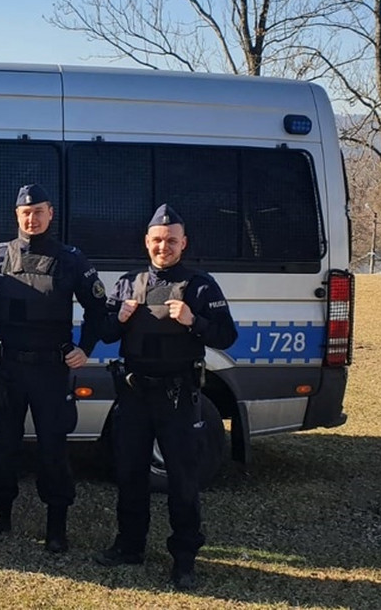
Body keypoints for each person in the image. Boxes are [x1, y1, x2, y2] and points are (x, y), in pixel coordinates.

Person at [93, 204, 238, 592]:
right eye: (157, 240)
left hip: (177, 396)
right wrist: (118, 318)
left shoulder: (202, 286)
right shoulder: (127, 283)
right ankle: (129, 546)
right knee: (129, 475)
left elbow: (227, 336)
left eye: (171, 240)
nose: (164, 247)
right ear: (147, 242)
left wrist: (195, 321)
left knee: (183, 481)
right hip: (134, 394)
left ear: (183, 243)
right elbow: (104, 334)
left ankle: (184, 559)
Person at [0, 183, 107, 553]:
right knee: (3, 445)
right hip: (7, 368)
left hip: (50, 371)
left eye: (39, 211)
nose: (32, 217)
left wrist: (85, 348)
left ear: (50, 213)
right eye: (26, 212)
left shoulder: (71, 259)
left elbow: (97, 311)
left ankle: (56, 525)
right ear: (17, 216)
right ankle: (1, 512)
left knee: (53, 448)